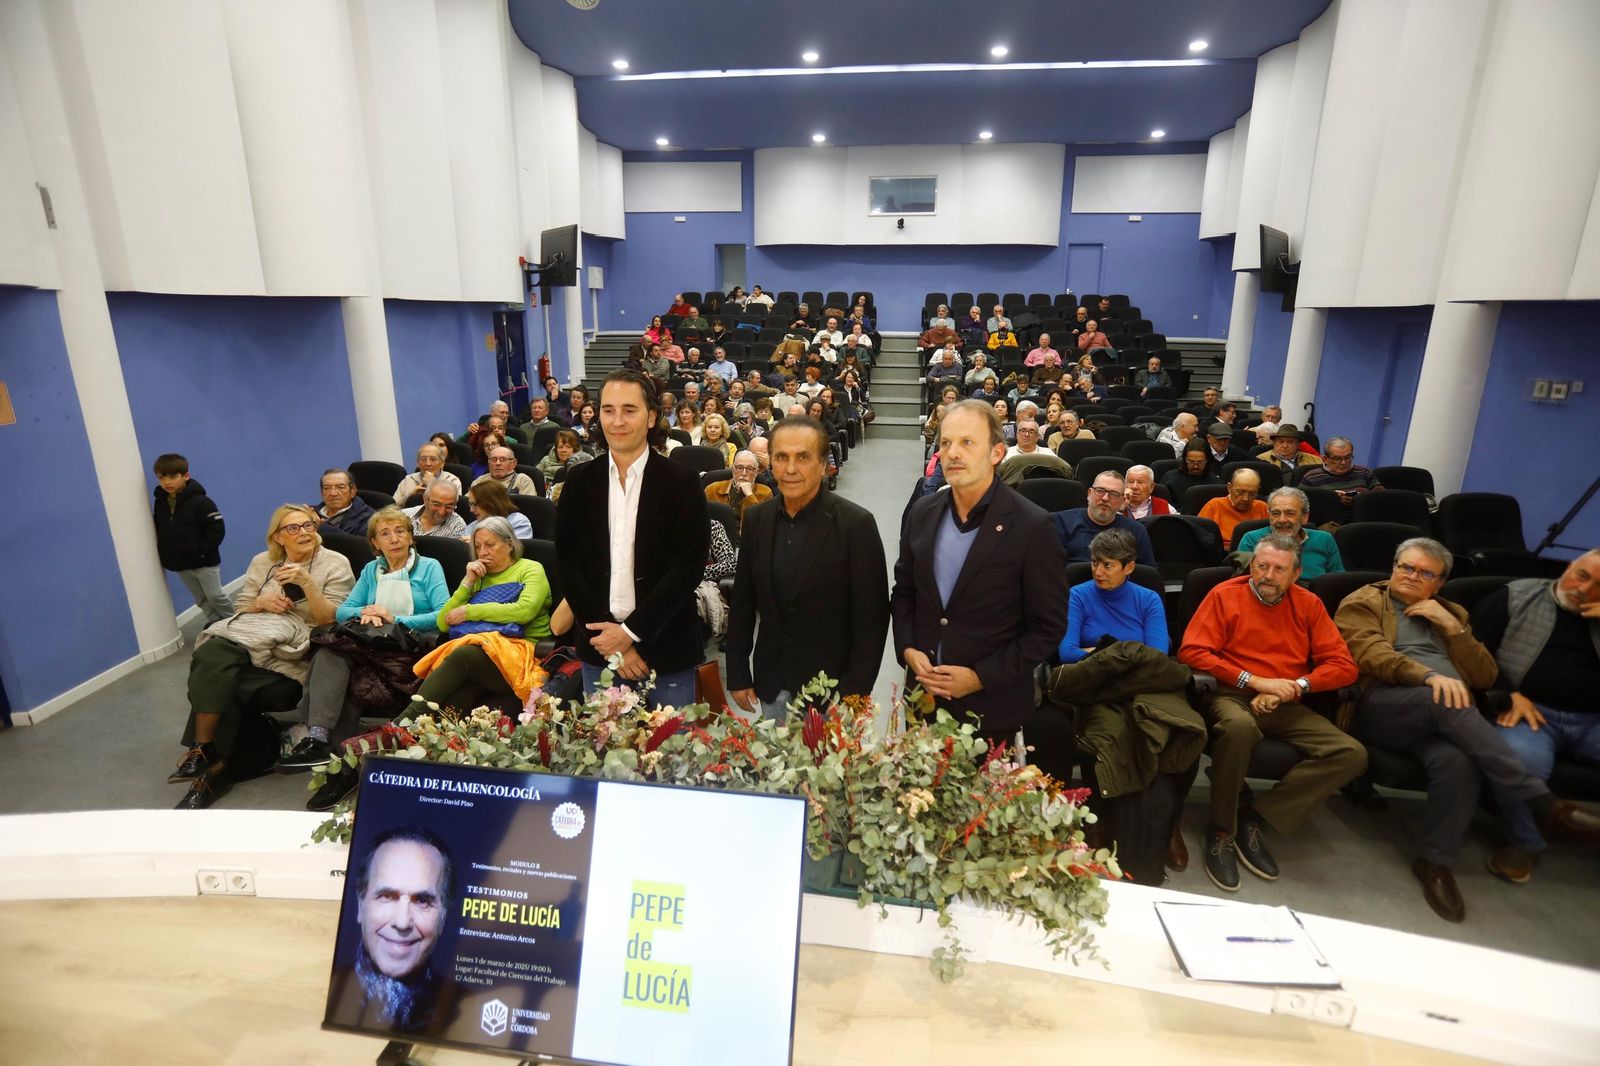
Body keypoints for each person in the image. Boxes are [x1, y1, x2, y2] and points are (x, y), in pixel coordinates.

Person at [1334, 539, 1600, 920]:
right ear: (1393, 567)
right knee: (1444, 698)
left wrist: (1453, 629)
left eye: (1425, 573)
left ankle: (1435, 862)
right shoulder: (1364, 601)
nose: (1412, 576)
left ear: (1440, 583)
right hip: (1383, 706)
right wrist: (1428, 676)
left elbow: (1484, 674)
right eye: (1406, 567)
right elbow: (1368, 653)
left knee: (1458, 761)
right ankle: (1543, 804)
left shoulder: (1452, 612)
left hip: (1445, 717)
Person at [1177, 534, 1365, 892]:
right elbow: (1193, 652)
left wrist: (1296, 687)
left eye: (1279, 569)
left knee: (1351, 753)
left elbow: (1343, 665)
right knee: (1239, 728)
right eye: (1262, 566)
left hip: (1285, 699)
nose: (1268, 574)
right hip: (1232, 694)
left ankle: (1258, 814)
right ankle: (1222, 828)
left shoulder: (1308, 604)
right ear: (1252, 565)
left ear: (1295, 574)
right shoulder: (1224, 595)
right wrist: (1256, 681)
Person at [891, 400, 1070, 744]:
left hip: (991, 711)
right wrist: (908, 649)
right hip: (922, 702)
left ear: (996, 452)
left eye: (967, 442)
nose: (953, 453)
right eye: (946, 443)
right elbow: (904, 593)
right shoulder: (922, 513)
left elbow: (1048, 627)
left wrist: (980, 677)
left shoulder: (1033, 525)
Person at [170, 504, 355, 809]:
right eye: (293, 528)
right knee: (215, 657)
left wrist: (307, 585)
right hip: (255, 639)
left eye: (308, 525)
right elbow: (242, 609)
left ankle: (205, 762)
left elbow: (330, 622)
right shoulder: (262, 562)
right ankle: (208, 759)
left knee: (218, 670)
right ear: (278, 537)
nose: (303, 532)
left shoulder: (335, 563)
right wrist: (261, 602)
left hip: (302, 645)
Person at [557, 369, 710, 707]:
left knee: (674, 756)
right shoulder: (579, 481)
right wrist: (609, 641)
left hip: (666, 647)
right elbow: (569, 565)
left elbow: (688, 568)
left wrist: (628, 636)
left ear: (652, 416)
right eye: (608, 410)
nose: (617, 421)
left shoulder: (682, 481)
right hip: (600, 651)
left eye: (629, 410)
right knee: (606, 758)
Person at [727, 418, 889, 719]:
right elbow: (743, 602)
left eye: (803, 457)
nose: (790, 469)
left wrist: (854, 695)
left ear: (823, 464)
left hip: (833, 692)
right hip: (772, 683)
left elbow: (873, 621)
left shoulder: (856, 524)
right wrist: (737, 671)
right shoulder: (757, 519)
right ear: (770, 465)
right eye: (781, 457)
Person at [277, 508, 449, 771]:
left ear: (411, 538)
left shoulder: (429, 567)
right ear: (375, 543)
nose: (394, 539)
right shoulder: (372, 570)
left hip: (409, 645)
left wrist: (395, 618)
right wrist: (369, 612)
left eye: (400, 531)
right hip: (372, 643)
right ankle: (319, 738)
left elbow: (443, 615)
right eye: (385, 533)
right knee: (329, 652)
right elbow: (345, 611)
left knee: (341, 666)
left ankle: (332, 749)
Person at [1472, 549, 1600, 883]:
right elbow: (1470, 652)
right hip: (1529, 712)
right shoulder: (1516, 597)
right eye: (1582, 575)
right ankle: (1525, 843)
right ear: (1570, 566)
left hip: (1593, 719)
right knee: (1519, 761)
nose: (1584, 590)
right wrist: (1505, 692)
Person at [325, 825, 457, 1033]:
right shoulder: (327, 993)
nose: (402, 922)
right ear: (360, 904)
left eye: (422, 901)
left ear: (443, 917)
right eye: (387, 896)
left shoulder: (465, 1009)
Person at [1058, 529, 1166, 664]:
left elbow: (1158, 656)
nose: (1098, 572)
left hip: (1135, 680)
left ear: (1129, 567)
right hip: (1090, 677)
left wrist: (1093, 651)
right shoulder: (1077, 596)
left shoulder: (1149, 600)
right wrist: (1130, 655)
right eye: (1095, 562)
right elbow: (1067, 653)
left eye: (1107, 565)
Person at [151, 452, 232, 624]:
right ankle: (217, 626)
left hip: (205, 562)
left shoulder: (202, 502)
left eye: (173, 476)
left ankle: (237, 624)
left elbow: (216, 530)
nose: (167, 482)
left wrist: (202, 552)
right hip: (181, 563)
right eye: (162, 477)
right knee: (201, 600)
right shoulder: (161, 502)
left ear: (186, 476)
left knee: (216, 596)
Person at [1236, 487, 1344, 583]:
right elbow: (1244, 584)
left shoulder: (1324, 539)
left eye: (1290, 513)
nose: (1282, 520)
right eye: (1276, 513)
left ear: (1305, 517)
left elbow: (1337, 583)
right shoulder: (1251, 539)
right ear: (1269, 516)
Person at [1053, 471, 1157, 565]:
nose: (1105, 498)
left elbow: (1147, 576)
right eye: (1100, 490)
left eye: (1114, 494)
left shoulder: (1136, 531)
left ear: (1123, 500)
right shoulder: (1059, 522)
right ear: (1089, 493)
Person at [1300, 437, 1384, 524]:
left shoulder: (1363, 472)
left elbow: (1380, 498)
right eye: (1337, 459)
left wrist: (1359, 499)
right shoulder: (1311, 477)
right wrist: (1330, 500)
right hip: (1326, 525)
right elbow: (1299, 505)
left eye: (1348, 457)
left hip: (1361, 523)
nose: (1343, 462)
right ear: (1325, 459)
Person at [1199, 468, 1269, 549]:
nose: (1245, 499)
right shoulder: (1214, 506)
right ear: (1229, 487)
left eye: (1252, 493)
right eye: (1240, 492)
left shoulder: (1263, 507)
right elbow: (1199, 539)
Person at [705, 450, 772, 532]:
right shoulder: (713, 489)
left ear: (756, 472)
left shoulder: (765, 493)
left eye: (749, 469)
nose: (744, 473)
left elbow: (762, 528)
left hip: (748, 541)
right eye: (739, 468)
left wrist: (749, 495)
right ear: (733, 469)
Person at [393, 442, 462, 505]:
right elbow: (393, 507)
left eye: (433, 459)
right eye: (423, 459)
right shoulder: (408, 480)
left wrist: (432, 484)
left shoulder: (452, 480)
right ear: (417, 463)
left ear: (442, 463)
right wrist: (410, 495)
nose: (428, 463)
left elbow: (453, 506)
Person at [462, 479, 532, 541]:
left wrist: (476, 543)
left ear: (491, 503)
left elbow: (514, 550)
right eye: (470, 505)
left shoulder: (518, 522)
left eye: (474, 505)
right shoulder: (473, 526)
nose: (471, 510)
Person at [318, 468, 376, 536]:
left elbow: (358, 544)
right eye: (327, 488)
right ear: (322, 493)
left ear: (353, 491)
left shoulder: (368, 518)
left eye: (340, 487)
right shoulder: (313, 514)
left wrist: (322, 527)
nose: (333, 493)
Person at [1162, 441, 1219, 506]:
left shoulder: (1216, 484)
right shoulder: (1170, 478)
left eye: (1200, 462)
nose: (1195, 466)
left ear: (1207, 460)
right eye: (1191, 461)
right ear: (1185, 459)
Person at [1256, 424, 1322, 478]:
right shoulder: (1261, 460)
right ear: (1274, 442)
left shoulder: (1316, 461)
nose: (1285, 446)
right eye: (1281, 441)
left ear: (1298, 444)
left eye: (1290, 442)